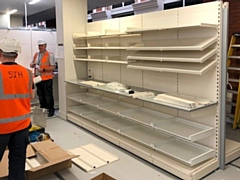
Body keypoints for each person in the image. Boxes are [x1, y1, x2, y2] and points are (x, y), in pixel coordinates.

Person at [0, 37, 35, 180]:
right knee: (18, 163)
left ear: (0, 52)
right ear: (16, 55)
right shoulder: (27, 73)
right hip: (22, 127)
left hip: (1, 128)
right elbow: (31, 96)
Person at [30, 39, 55, 117]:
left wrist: (44, 69)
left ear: (45, 46)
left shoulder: (49, 55)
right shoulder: (36, 54)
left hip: (47, 78)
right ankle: (43, 109)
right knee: (40, 95)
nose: (40, 47)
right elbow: (31, 64)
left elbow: (53, 67)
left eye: (42, 45)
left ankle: (50, 110)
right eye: (39, 46)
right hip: (38, 78)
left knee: (48, 95)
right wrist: (32, 64)